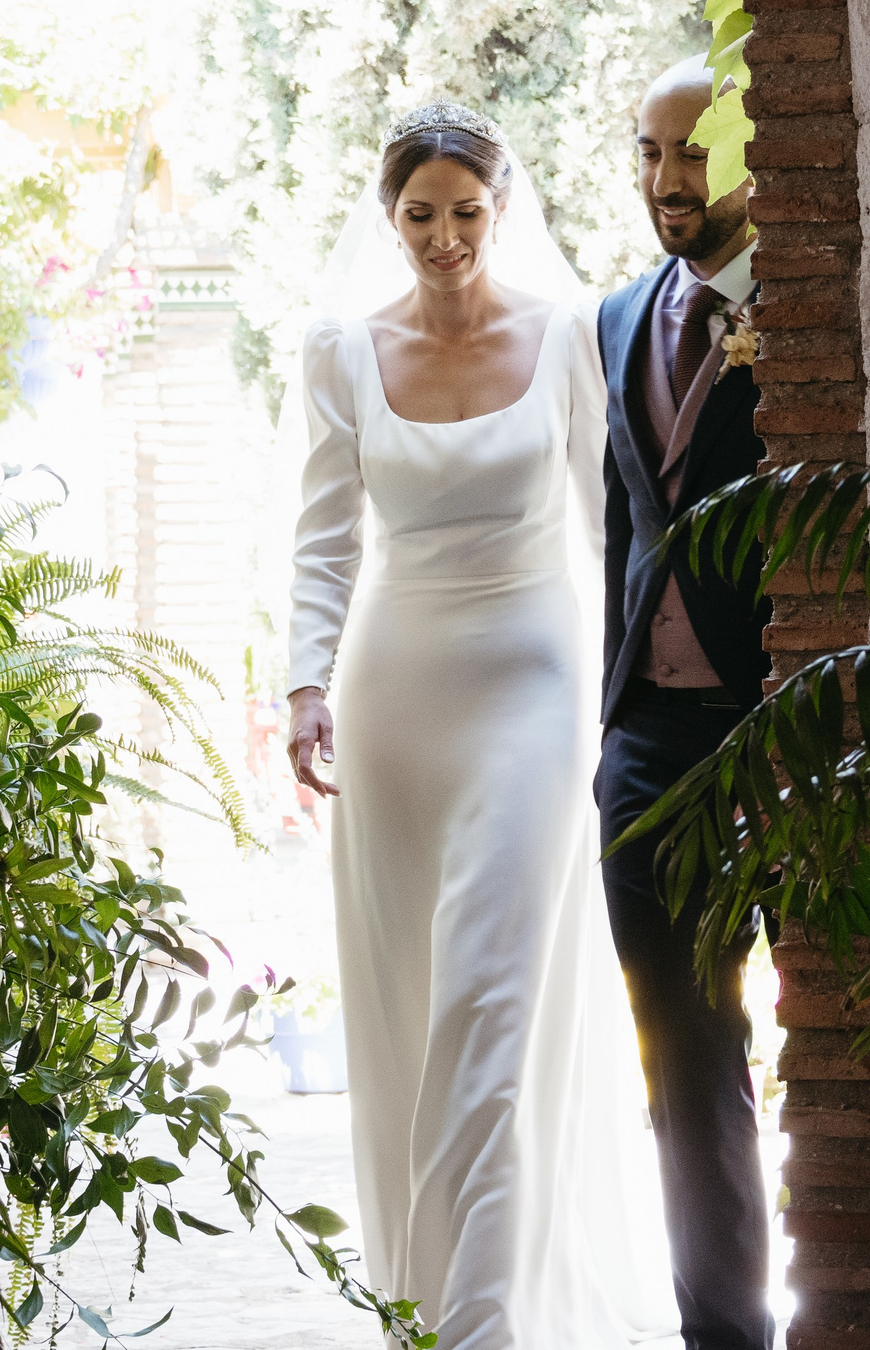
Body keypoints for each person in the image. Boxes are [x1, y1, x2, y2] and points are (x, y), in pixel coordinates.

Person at [283, 103, 675, 1349]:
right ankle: (424, 1293)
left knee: (491, 993)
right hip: (397, 691)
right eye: (418, 216)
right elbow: (324, 540)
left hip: (535, 684)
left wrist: (626, 689)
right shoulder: (341, 350)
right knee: (412, 996)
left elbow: (607, 528)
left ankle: (484, 1322)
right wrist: (303, 686)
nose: (443, 239)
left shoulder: (567, 337)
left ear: (499, 209)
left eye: (464, 213)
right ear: (386, 216)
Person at [594, 57, 773, 1350]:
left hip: (771, 725)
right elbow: (620, 524)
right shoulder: (615, 318)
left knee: (809, 1032)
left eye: (694, 152)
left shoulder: (805, 303)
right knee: (683, 1060)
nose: (670, 179)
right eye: (653, 150)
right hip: (646, 743)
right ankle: (724, 1330)